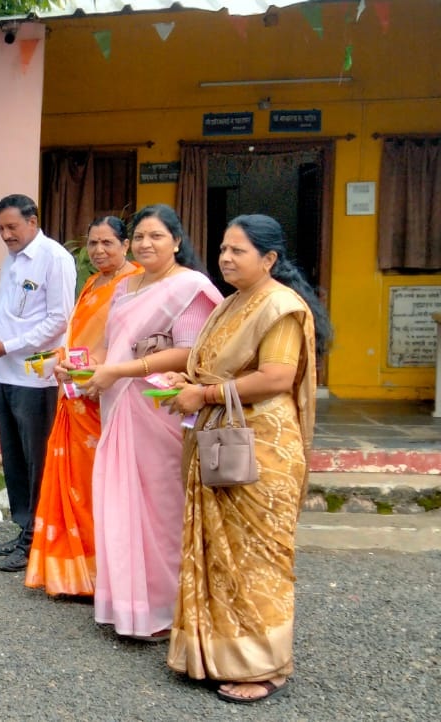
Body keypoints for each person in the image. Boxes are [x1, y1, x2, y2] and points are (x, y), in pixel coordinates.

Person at [164, 213, 329, 703]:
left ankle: (264, 666)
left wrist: (204, 395)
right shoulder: (233, 302)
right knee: (219, 553)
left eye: (238, 250)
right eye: (223, 249)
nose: (226, 258)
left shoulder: (280, 306)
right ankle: (212, 655)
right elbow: (214, 366)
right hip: (224, 434)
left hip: (262, 446)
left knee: (255, 558)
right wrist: (190, 382)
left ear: (269, 258)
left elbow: (276, 377)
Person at [82, 204, 221, 641]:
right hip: (120, 405)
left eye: (156, 236)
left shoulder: (188, 286)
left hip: (160, 408)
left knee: (161, 509)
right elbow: (114, 346)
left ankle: (165, 609)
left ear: (177, 241)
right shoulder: (126, 287)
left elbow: (189, 352)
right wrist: (87, 368)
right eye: (140, 236)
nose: (146, 244)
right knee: (122, 507)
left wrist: (119, 371)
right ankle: (129, 608)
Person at [24, 216, 141, 596]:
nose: (98, 251)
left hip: (105, 394)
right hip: (74, 393)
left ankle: (103, 576)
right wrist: (60, 360)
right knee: (74, 484)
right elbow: (77, 337)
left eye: (107, 243)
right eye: (93, 243)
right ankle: (74, 576)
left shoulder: (136, 282)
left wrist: (93, 370)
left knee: (100, 488)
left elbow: (128, 343)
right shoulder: (92, 283)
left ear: (125, 245)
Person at [0, 194, 76, 572]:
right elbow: (9, 313)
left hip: (37, 377)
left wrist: (7, 345)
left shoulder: (54, 258)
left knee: (37, 461)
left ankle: (37, 540)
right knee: (15, 459)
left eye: (12, 226)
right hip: (6, 372)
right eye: (1, 228)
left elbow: (59, 319)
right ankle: (24, 530)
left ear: (33, 221)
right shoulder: (13, 259)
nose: (6, 235)